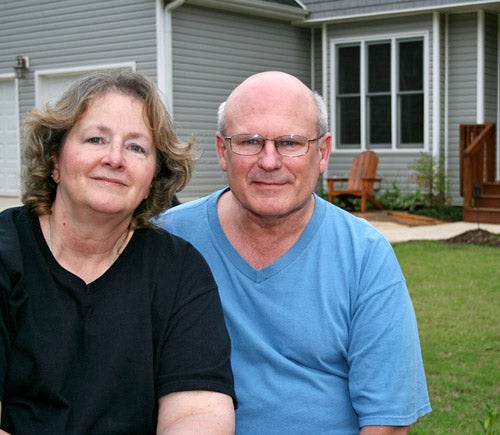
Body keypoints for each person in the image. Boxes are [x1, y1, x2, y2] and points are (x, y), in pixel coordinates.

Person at [159, 71, 431, 434]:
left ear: (322, 152)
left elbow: (388, 422)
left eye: (289, 143)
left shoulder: (364, 255)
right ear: (223, 151)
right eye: (250, 141)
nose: (269, 161)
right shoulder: (169, 240)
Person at [0, 71, 236, 434]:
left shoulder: (178, 270)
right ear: (54, 161)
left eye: (136, 147)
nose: (114, 158)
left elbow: (198, 415)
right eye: (96, 139)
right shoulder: (7, 253)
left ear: (153, 180)